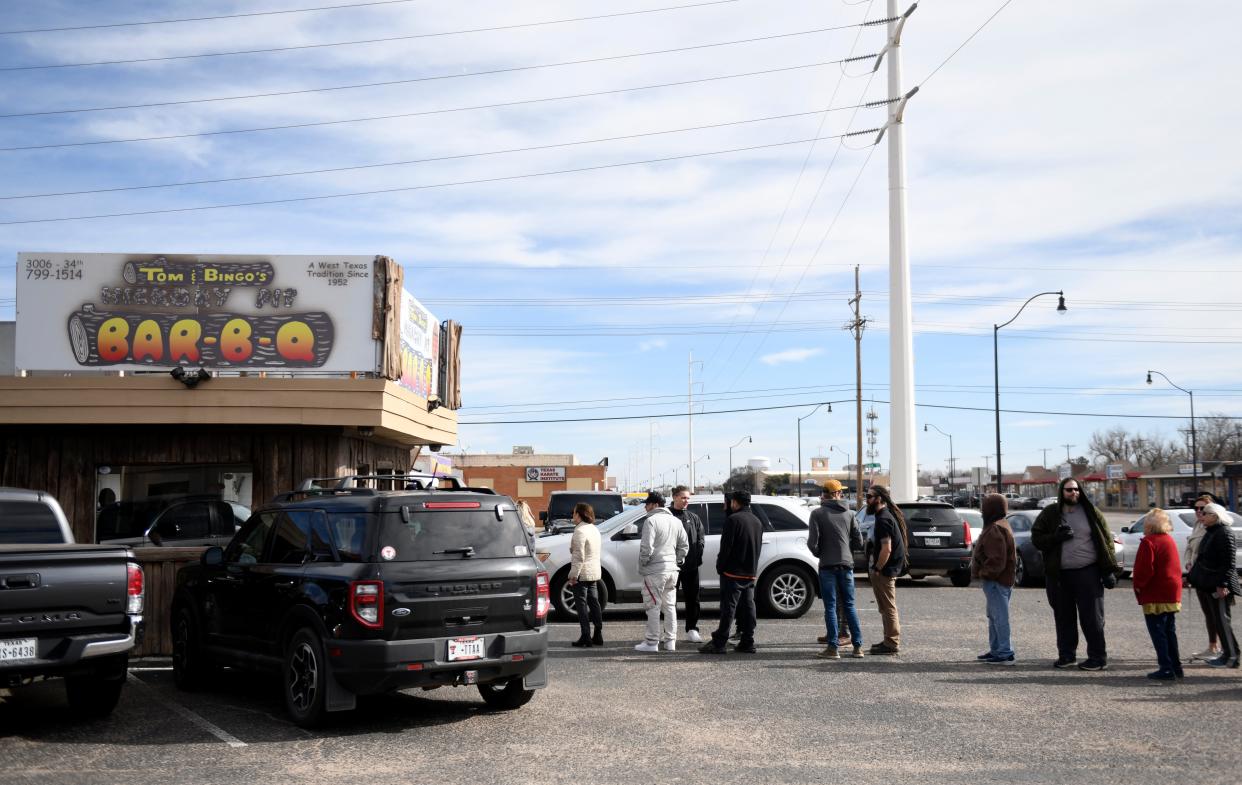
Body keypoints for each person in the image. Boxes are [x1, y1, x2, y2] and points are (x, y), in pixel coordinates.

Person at [1031, 477, 1121, 671]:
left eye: (1077, 490)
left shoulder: (1091, 512)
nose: (1074, 493)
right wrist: (1056, 537)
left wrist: (1108, 571)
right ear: (1061, 492)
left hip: (1088, 573)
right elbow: (1037, 539)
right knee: (1064, 618)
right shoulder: (1050, 514)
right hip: (1059, 576)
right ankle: (1066, 656)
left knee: (1092, 619)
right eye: (1069, 490)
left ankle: (1098, 658)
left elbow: (1107, 541)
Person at [699, 490, 763, 655]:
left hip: (733, 572)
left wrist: (720, 567)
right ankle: (747, 641)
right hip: (750, 572)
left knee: (728, 609)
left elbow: (726, 548)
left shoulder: (733, 520)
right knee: (749, 607)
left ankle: (719, 642)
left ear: (735, 502)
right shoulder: (757, 521)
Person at [807, 479, 864, 659]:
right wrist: (847, 552)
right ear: (838, 494)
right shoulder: (850, 514)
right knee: (849, 605)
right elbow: (859, 542)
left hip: (827, 566)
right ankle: (858, 647)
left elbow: (812, 543)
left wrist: (820, 553)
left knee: (830, 607)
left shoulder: (817, 514)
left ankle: (833, 648)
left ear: (823, 494)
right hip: (847, 565)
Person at [1131, 508, 1183, 680]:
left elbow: (1144, 570)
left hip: (1155, 593)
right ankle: (1176, 666)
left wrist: (1138, 586)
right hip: (1170, 592)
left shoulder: (1148, 542)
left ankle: (1166, 667)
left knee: (1158, 632)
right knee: (1169, 631)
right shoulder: (1169, 540)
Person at [635, 491, 688, 653]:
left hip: (654, 571)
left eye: (647, 504)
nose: (645, 507)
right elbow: (684, 546)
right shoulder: (675, 521)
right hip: (672, 569)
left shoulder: (651, 521)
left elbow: (646, 548)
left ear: (655, 505)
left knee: (653, 606)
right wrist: (677, 560)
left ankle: (652, 642)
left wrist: (644, 563)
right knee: (670, 605)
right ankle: (670, 641)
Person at [1188, 502, 1240, 669]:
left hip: (1219, 585)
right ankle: (1226, 653)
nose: (1201, 516)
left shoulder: (1224, 533)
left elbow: (1229, 563)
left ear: (1215, 516)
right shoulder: (1211, 532)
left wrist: (1222, 584)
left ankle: (1232, 657)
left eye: (1205, 513)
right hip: (1209, 584)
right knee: (1218, 621)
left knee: (1223, 621)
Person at [971, 494, 1017, 665]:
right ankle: (996, 650)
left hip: (997, 581)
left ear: (993, 509)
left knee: (999, 617)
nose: (982, 511)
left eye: (985, 507)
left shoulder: (996, 528)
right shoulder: (998, 525)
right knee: (994, 616)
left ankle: (1005, 652)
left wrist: (984, 573)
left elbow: (997, 560)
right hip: (999, 581)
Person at [866, 485, 907, 655]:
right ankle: (888, 639)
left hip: (885, 571)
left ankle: (891, 642)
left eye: (869, 496)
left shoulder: (883, 519)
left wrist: (877, 568)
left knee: (888, 607)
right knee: (885, 607)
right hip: (887, 569)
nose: (866, 499)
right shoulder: (884, 516)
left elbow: (887, 549)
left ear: (879, 498)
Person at [1184, 495, 1221, 661]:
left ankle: (1223, 649)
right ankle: (1212, 646)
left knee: (1217, 614)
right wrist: (1188, 564)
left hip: (1211, 577)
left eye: (1203, 509)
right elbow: (1189, 548)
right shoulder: (1197, 525)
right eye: (1196, 508)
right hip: (1198, 576)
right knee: (1208, 613)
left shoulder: (1215, 527)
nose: (1199, 512)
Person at [668, 485, 706, 643]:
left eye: (688, 498)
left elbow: (700, 539)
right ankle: (670, 631)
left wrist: (696, 558)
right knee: (670, 600)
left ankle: (692, 629)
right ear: (674, 497)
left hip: (691, 566)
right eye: (683, 497)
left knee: (693, 598)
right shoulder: (667, 516)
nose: (686, 501)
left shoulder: (693, 517)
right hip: (671, 566)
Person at [567, 503, 604, 648]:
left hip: (582, 573)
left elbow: (579, 556)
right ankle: (598, 634)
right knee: (594, 603)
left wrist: (573, 575)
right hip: (594, 572)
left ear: (579, 514)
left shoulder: (580, 531)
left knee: (581, 605)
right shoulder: (594, 529)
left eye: (574, 513)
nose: (573, 516)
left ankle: (585, 636)